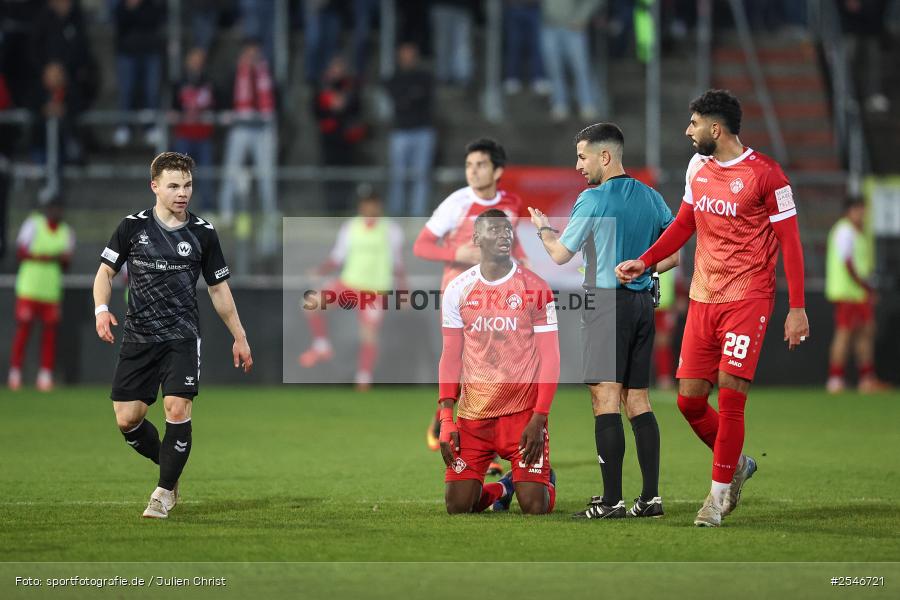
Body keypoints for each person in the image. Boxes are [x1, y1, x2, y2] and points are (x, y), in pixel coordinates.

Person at [615, 89, 809, 527]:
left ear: (715, 129)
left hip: (748, 298)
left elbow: (791, 244)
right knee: (689, 403)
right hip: (703, 298)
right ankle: (737, 465)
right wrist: (645, 261)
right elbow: (686, 221)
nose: (688, 131)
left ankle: (716, 499)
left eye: (694, 123)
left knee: (731, 396)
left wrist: (797, 309)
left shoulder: (767, 176)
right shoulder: (697, 167)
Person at [529, 123, 677, 520]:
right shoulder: (651, 197)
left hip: (605, 307)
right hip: (643, 305)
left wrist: (543, 229)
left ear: (604, 156)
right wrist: (642, 266)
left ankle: (611, 501)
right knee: (639, 400)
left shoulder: (592, 199)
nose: (578, 165)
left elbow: (560, 255)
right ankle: (650, 500)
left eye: (582, 156)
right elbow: (676, 255)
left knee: (605, 400)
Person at [93, 152, 253, 519]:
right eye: (174, 186)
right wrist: (102, 310)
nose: (183, 193)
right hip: (138, 336)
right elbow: (104, 274)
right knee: (127, 419)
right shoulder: (132, 228)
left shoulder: (203, 233)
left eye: (188, 185)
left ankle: (163, 492)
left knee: (176, 408)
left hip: (181, 336)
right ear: (155, 187)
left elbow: (218, 290)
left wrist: (239, 335)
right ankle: (170, 466)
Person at [414, 138, 527, 472]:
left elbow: (512, 244)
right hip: (459, 294)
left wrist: (525, 268)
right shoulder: (456, 203)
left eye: (480, 165)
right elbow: (421, 246)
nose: (473, 171)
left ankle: (451, 425)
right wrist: (455, 254)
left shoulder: (511, 203)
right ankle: (474, 443)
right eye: (469, 165)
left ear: (497, 171)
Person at [438, 209, 559, 514]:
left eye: (508, 230)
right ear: (476, 238)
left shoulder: (535, 286)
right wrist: (445, 418)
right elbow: (450, 356)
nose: (504, 235)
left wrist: (539, 418)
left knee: (535, 508)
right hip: (474, 418)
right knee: (458, 506)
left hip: (522, 417)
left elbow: (551, 357)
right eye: (494, 230)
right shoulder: (458, 289)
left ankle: (544, 481)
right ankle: (505, 488)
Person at [297, 188, 407, 390]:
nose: (369, 206)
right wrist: (320, 271)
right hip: (349, 284)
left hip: (374, 290)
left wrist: (404, 291)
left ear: (379, 204)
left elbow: (398, 264)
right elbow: (338, 257)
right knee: (310, 303)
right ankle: (322, 346)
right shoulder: (351, 227)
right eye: (365, 202)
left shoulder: (391, 230)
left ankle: (364, 377)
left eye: (372, 202)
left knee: (368, 334)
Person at [8, 198, 75, 392]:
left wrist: (54, 258)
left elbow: (66, 261)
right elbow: (20, 252)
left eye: (58, 208)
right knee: (23, 332)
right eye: (52, 208)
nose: (55, 212)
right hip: (29, 288)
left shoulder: (66, 231)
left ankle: (45, 375)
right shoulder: (33, 224)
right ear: (47, 209)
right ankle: (15, 373)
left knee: (49, 334)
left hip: (50, 291)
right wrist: (48, 257)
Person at [825, 197, 889, 393]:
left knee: (865, 332)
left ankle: (866, 379)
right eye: (858, 210)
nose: (861, 214)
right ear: (849, 211)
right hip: (848, 292)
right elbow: (848, 263)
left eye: (863, 210)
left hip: (857, 293)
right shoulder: (845, 231)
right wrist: (866, 288)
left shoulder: (858, 233)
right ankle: (835, 380)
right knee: (844, 334)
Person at [384, 42, 436, 217]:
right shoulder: (394, 78)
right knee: (398, 176)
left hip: (423, 131)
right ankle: (396, 215)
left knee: (420, 176)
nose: (408, 59)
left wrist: (409, 97)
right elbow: (400, 100)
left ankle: (417, 215)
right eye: (404, 56)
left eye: (411, 56)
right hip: (400, 132)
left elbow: (422, 98)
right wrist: (411, 96)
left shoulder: (425, 78)